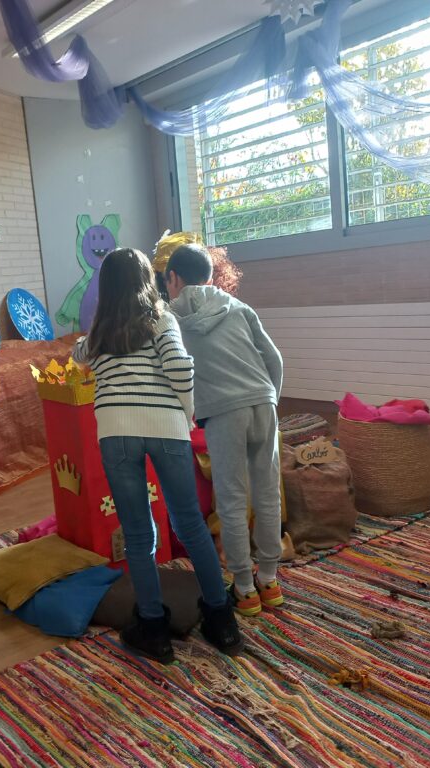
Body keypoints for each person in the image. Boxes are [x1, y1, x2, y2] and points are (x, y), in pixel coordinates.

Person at [72, 248, 243, 663]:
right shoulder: (161, 319)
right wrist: (186, 414)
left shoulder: (100, 333)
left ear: (106, 290)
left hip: (116, 433)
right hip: (166, 428)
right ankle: (221, 620)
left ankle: (153, 627)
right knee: (190, 524)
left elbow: (78, 356)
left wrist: (88, 342)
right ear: (148, 282)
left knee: (137, 532)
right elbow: (180, 369)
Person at [164, 243, 285, 616]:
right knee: (267, 493)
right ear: (211, 275)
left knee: (231, 500)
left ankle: (245, 589)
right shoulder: (238, 307)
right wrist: (271, 398)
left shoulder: (170, 318)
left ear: (173, 278)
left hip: (222, 412)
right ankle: (269, 579)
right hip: (262, 402)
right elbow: (274, 358)